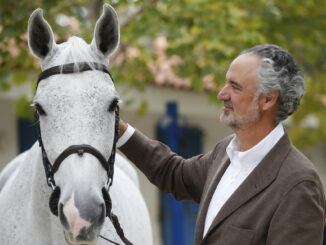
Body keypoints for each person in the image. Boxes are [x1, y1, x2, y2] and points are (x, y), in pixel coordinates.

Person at [117, 44, 326, 244]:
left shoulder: (299, 184)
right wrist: (120, 132)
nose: (221, 94)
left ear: (268, 100)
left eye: (235, 87)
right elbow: (173, 173)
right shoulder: (224, 152)